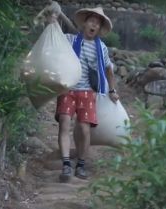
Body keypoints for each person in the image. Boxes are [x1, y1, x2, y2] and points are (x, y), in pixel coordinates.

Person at [46, 3, 119, 182]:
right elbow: (53, 38)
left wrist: (112, 90)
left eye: (97, 23)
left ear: (99, 29)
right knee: (64, 122)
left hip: (87, 92)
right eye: (91, 21)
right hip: (68, 89)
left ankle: (81, 164)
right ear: (84, 24)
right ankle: (65, 165)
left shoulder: (101, 48)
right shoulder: (71, 40)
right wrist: (53, 19)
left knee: (84, 130)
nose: (94, 25)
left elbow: (109, 70)